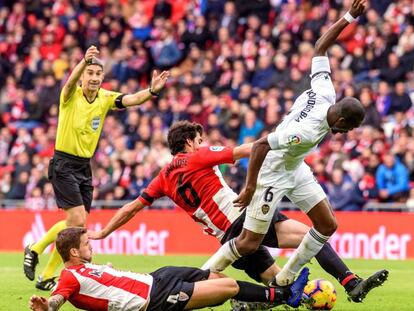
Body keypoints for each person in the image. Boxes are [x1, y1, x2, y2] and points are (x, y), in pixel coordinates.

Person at [89, 121, 388, 303]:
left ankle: (285, 301)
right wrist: (282, 144)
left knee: (279, 285)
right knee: (312, 237)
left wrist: (103, 231)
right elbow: (248, 149)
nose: (202, 143)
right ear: (190, 142)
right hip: (243, 220)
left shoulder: (163, 177)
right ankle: (350, 282)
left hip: (225, 237)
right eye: (199, 139)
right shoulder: (199, 157)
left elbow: (131, 207)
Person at [200, 0, 372, 287]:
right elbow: (260, 146)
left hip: (295, 166)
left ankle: (283, 281)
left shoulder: (325, 90)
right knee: (248, 243)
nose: (347, 133)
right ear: (341, 121)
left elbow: (319, 47)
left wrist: (349, 17)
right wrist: (251, 185)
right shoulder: (306, 132)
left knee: (327, 225)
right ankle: (199, 277)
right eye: (350, 128)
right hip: (272, 170)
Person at [23, 45, 170, 290]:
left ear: (102, 78)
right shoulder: (70, 96)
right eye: (89, 73)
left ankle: (46, 276)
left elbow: (131, 99)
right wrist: (83, 60)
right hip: (63, 162)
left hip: (84, 167)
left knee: (77, 228)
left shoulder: (104, 98)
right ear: (82, 76)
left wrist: (152, 91)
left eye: (97, 74)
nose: (93, 78)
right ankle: (35, 249)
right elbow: (69, 84)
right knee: (77, 220)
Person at [28, 227, 309, 311]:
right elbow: (58, 298)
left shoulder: (85, 269)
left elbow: (102, 284)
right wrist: (48, 305)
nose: (92, 245)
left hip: (157, 277)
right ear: (74, 252)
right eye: (87, 243)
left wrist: (108, 271)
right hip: (155, 300)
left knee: (216, 277)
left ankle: (248, 305)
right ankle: (285, 297)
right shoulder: (68, 277)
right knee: (229, 287)